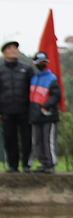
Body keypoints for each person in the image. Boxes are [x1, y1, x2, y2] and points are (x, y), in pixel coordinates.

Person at [0, 39, 32, 172]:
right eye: (10, 49)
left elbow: (33, 89)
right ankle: (13, 165)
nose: (13, 51)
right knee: (10, 139)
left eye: (15, 48)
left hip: (25, 110)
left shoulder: (27, 68)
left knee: (27, 138)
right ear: (4, 52)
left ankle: (26, 165)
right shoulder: (0, 70)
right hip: (6, 110)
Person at [28, 51, 60, 173]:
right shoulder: (33, 79)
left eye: (43, 62)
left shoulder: (51, 78)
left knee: (48, 141)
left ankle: (50, 163)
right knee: (38, 141)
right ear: (34, 63)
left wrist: (46, 106)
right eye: (39, 62)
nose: (41, 64)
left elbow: (56, 96)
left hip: (48, 116)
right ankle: (43, 163)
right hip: (35, 116)